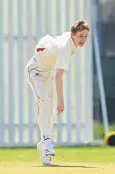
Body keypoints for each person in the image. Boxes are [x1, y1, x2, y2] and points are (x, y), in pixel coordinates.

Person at [24, 20, 90, 166]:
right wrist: (61, 100)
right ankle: (47, 140)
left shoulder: (70, 41)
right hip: (34, 73)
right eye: (80, 36)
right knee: (45, 100)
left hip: (48, 74)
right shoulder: (65, 47)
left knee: (52, 114)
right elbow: (60, 75)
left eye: (86, 36)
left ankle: (43, 147)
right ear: (73, 35)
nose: (83, 40)